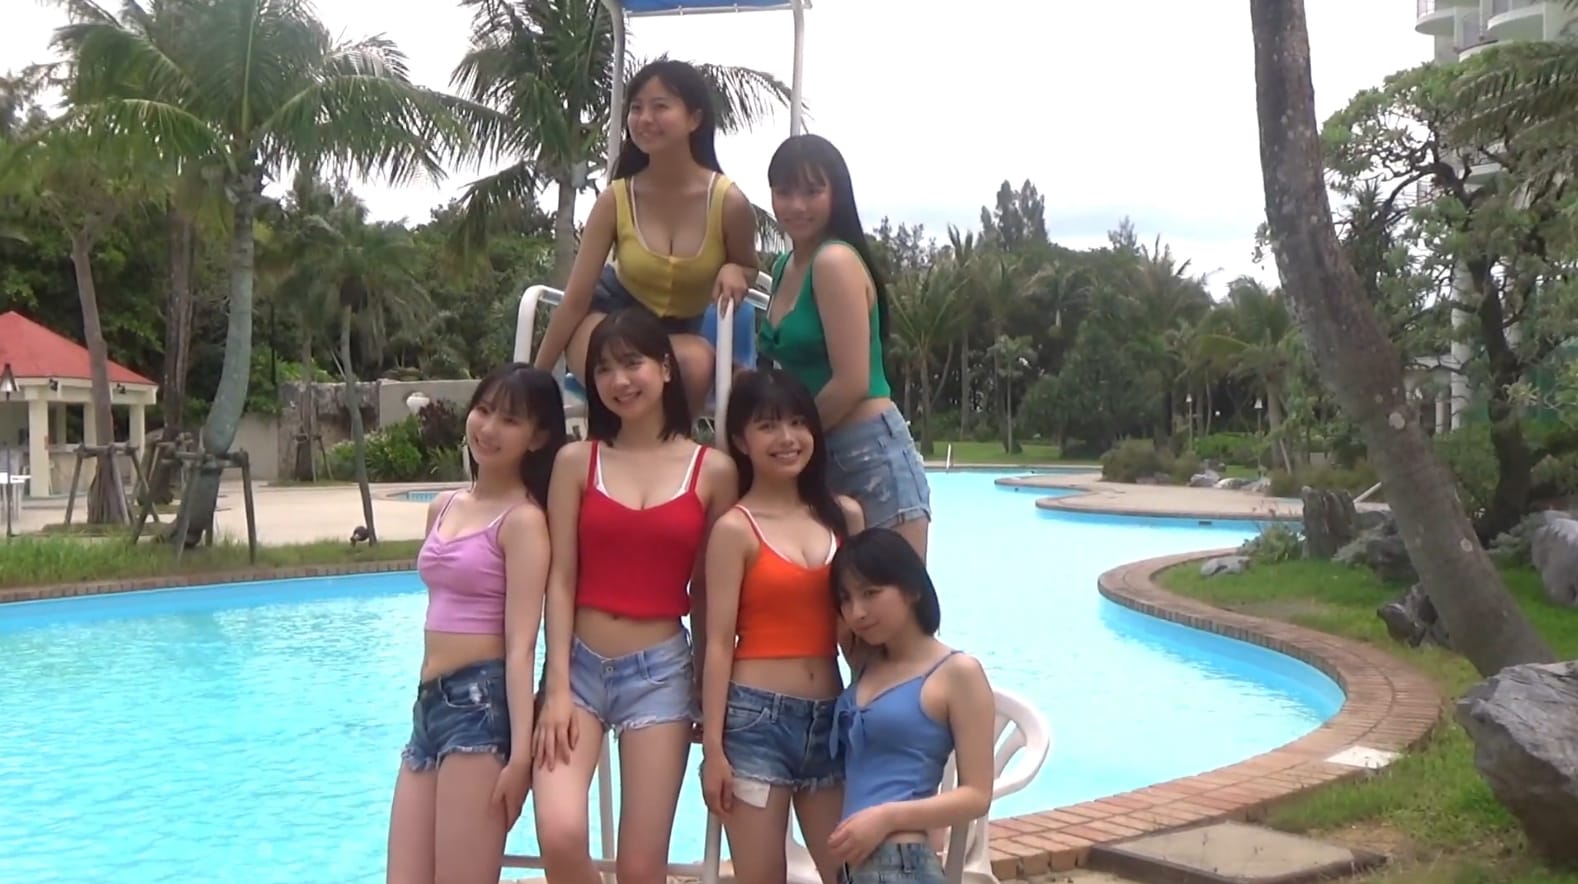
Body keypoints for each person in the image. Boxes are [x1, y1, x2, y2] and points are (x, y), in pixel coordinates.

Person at [531, 308, 739, 884]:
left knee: (641, 869)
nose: (619, 380)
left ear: (666, 369)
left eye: (632, 363)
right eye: (603, 369)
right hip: (577, 669)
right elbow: (560, 578)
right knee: (560, 835)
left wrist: (706, 692)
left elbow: (709, 594)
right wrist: (554, 689)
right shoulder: (577, 462)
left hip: (661, 674)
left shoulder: (714, 471)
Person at [386, 364, 567, 884]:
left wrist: (520, 756)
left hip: (479, 709)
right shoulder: (443, 506)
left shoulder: (524, 521)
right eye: (484, 411)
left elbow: (521, 645)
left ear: (538, 437)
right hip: (428, 705)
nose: (488, 428)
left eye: (509, 420)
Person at [700, 368, 864, 884]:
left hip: (830, 721)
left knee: (850, 872)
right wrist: (713, 750)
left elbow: (864, 630)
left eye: (797, 422)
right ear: (740, 441)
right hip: (755, 723)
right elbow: (718, 643)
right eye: (768, 426)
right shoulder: (734, 529)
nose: (787, 438)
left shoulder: (844, 518)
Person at [533, 58, 760, 418]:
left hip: (676, 333)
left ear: (694, 119)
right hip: (609, 316)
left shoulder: (729, 203)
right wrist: (535, 379)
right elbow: (575, 299)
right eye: (636, 108)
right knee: (619, 363)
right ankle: (610, 446)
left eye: (660, 106)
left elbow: (748, 265)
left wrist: (737, 269)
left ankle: (670, 451)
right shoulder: (615, 199)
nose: (645, 118)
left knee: (696, 364)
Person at [758, 134, 932, 559]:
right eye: (784, 192)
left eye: (812, 191)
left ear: (836, 194)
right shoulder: (784, 266)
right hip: (820, 449)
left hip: (868, 455)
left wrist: (787, 440)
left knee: (893, 597)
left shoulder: (834, 261)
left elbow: (852, 382)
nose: (797, 205)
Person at [825, 529, 995, 884]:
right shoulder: (866, 664)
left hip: (902, 862)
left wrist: (886, 817)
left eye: (871, 593)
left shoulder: (957, 672)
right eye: (846, 599)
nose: (857, 612)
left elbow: (977, 796)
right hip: (854, 866)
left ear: (912, 589)